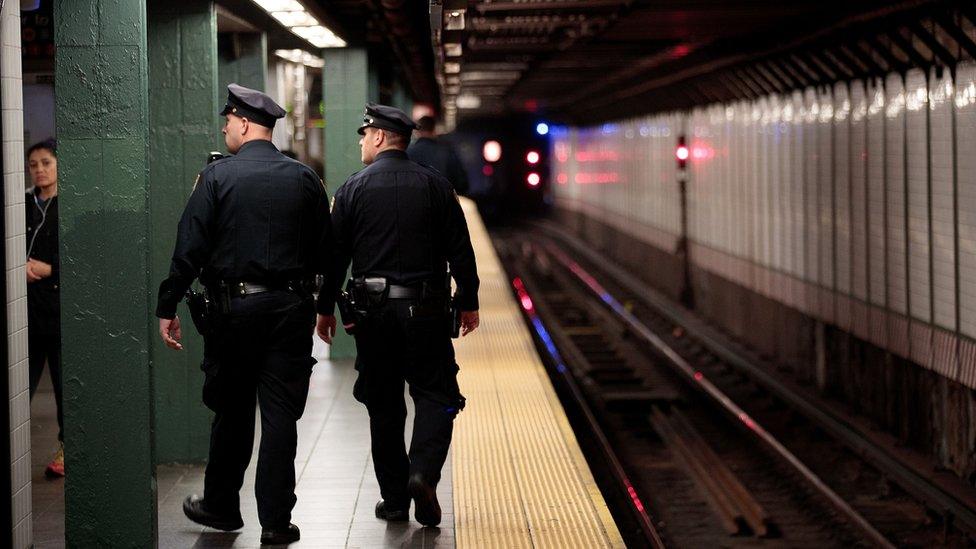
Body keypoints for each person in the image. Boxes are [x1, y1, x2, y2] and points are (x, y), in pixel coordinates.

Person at [156, 83, 334, 546]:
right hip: (291, 311)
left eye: (228, 121)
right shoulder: (305, 180)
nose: (224, 127)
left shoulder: (216, 178)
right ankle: (276, 522)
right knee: (280, 419)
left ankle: (222, 506)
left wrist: (167, 303)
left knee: (232, 412)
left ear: (244, 124)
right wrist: (321, 303)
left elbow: (188, 247)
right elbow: (327, 252)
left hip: (234, 313)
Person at [317, 103, 480, 527]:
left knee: (383, 404)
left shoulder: (352, 189)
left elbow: (334, 257)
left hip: (372, 316)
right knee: (437, 396)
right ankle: (423, 473)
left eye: (363, 135)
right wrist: (469, 301)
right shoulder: (436, 186)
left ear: (377, 138)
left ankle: (394, 501)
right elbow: (460, 250)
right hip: (426, 310)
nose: (360, 142)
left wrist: (325, 308)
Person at [25, 138, 63, 478]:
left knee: (65, 388)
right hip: (26, 314)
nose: (39, 170)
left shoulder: (66, 205)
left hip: (58, 312)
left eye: (46, 163)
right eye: (34, 164)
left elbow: (82, 259)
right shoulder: (23, 205)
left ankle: (67, 450)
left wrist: (52, 269)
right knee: (22, 385)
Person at [407, 115, 469, 195]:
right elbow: (462, 183)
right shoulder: (447, 152)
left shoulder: (408, 152)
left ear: (417, 132)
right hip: (443, 202)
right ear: (434, 130)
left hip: (415, 201)